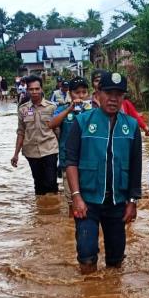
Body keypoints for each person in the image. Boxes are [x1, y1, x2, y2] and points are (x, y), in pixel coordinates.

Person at [65, 71, 142, 273]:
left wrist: (132, 202)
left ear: (123, 97)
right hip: (87, 201)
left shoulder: (131, 126)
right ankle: (89, 294)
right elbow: (70, 160)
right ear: (98, 94)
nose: (113, 98)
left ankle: (112, 297)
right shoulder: (82, 122)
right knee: (86, 253)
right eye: (109, 93)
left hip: (118, 202)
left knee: (116, 260)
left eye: (119, 94)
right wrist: (76, 197)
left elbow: (136, 165)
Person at [49, 76, 93, 215]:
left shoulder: (92, 110)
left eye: (84, 92)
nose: (80, 95)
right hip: (68, 161)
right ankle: (71, 230)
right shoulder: (62, 109)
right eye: (77, 92)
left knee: (90, 201)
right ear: (70, 93)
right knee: (71, 202)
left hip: (89, 162)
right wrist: (69, 109)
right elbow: (51, 124)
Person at [11, 75, 59, 195]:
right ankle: (41, 210)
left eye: (37, 89)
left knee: (51, 181)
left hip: (50, 149)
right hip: (31, 151)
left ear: (41, 89)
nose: (34, 92)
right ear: (27, 90)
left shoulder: (52, 107)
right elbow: (21, 131)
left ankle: (53, 208)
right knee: (38, 184)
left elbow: (58, 130)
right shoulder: (23, 109)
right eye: (31, 89)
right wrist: (15, 154)